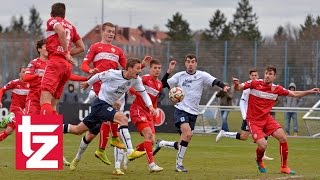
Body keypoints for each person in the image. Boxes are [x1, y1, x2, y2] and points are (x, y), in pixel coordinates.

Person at [65, 58, 156, 171]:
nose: (140, 70)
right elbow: (98, 76)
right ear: (129, 68)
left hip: (106, 107)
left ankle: (61, 134)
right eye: (138, 68)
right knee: (122, 118)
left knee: (78, 130)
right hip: (100, 104)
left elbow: (143, 93)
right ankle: (129, 151)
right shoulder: (113, 74)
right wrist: (88, 83)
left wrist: (151, 106)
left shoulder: (135, 79)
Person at [233, 65, 320, 175]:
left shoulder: (276, 89)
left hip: (266, 119)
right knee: (263, 145)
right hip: (253, 121)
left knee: (283, 137)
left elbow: (294, 94)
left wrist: (310, 91)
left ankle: (284, 167)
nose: (267, 76)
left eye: (270, 74)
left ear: (274, 77)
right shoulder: (255, 83)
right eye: (266, 73)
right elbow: (239, 87)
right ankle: (259, 160)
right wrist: (236, 84)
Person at [153, 54, 229, 172]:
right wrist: (169, 71)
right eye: (188, 61)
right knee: (187, 134)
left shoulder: (202, 75)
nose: (190, 64)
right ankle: (179, 165)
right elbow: (162, 85)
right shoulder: (179, 76)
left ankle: (162, 143)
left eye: (193, 61)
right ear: (185, 63)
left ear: (196, 63)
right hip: (181, 110)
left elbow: (215, 81)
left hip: (193, 113)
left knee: (182, 143)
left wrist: (223, 86)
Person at [80, 22, 127, 165]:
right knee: (114, 110)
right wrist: (90, 71)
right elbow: (84, 65)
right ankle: (111, 142)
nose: (111, 34)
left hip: (113, 87)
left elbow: (128, 69)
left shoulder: (118, 50)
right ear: (103, 32)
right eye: (109, 31)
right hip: (99, 85)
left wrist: (141, 66)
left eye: (113, 31)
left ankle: (101, 149)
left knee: (99, 123)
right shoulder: (95, 47)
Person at [128, 59, 176, 173]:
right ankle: (151, 165)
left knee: (152, 140)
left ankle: (130, 154)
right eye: (155, 68)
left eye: (159, 68)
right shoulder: (144, 79)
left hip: (148, 113)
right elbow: (130, 88)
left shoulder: (159, 84)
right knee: (149, 135)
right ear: (150, 69)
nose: (157, 70)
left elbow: (154, 100)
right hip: (138, 110)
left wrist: (153, 113)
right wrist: (140, 94)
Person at [215, 69, 273, 160]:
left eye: (256, 75)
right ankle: (224, 133)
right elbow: (242, 102)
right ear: (250, 76)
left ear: (258, 76)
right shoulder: (248, 87)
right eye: (252, 75)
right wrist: (244, 115)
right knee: (243, 137)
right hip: (249, 115)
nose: (254, 77)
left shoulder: (261, 85)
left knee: (265, 132)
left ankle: (263, 155)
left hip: (258, 116)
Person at [40, 2, 84, 115]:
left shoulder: (52, 21)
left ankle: (46, 132)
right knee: (53, 104)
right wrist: (68, 54)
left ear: (52, 13)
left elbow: (61, 31)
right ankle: (56, 132)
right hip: (66, 67)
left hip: (55, 62)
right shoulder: (71, 26)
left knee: (45, 100)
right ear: (64, 14)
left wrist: (65, 52)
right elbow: (81, 47)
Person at [0, 68, 29, 142]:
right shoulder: (14, 83)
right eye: (23, 72)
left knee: (8, 131)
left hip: (25, 109)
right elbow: (2, 89)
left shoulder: (31, 84)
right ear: (19, 74)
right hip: (15, 108)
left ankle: (11, 119)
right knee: (24, 123)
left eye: (27, 72)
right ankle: (10, 118)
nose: (25, 73)